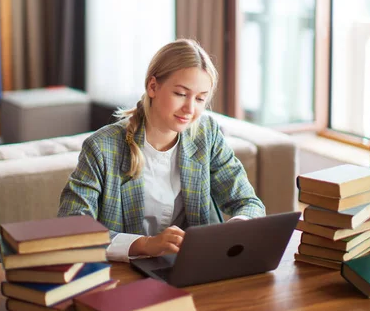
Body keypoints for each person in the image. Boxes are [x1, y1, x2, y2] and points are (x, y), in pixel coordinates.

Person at [58, 39, 265, 262]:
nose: (190, 109)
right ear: (153, 87)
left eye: (200, 98)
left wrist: (234, 229)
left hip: (196, 268)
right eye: (180, 94)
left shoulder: (207, 135)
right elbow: (72, 229)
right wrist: (145, 245)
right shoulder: (102, 147)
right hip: (126, 276)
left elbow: (249, 203)